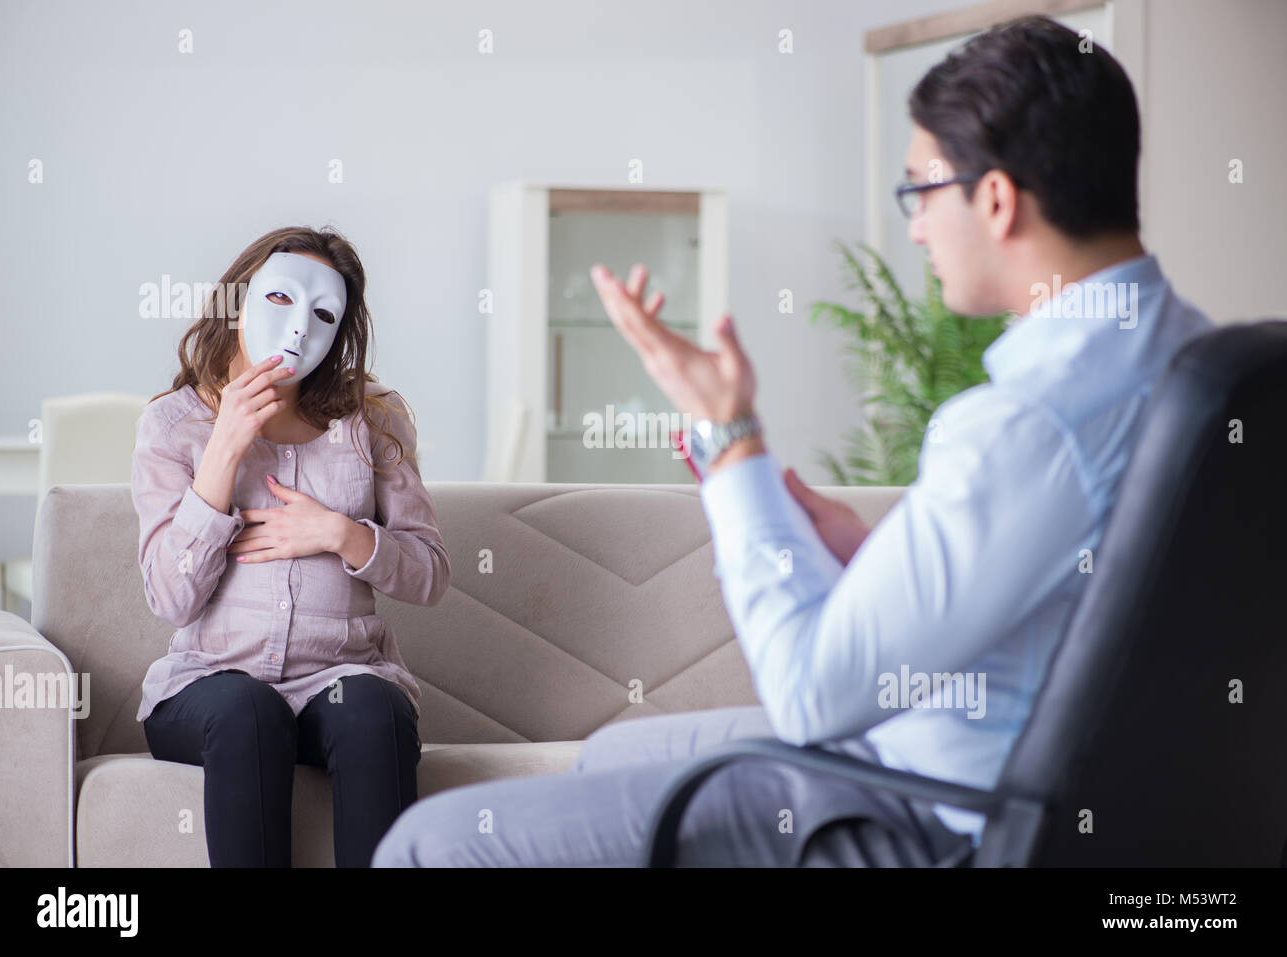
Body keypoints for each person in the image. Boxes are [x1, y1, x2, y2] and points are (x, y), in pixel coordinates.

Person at [371, 14, 1215, 867]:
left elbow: (813, 693)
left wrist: (732, 441)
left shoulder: (1027, 421)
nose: (916, 227)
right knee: (611, 753)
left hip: (937, 813)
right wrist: (873, 550)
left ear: (994, 199)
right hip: (1071, 789)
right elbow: (1073, 590)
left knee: (426, 844)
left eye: (919, 191)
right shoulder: (1202, 364)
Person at [131, 226, 451, 866]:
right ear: (241, 298)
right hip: (210, 687)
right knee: (249, 710)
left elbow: (430, 574)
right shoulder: (172, 424)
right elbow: (170, 597)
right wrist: (223, 450)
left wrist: (341, 533)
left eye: (323, 312)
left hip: (337, 679)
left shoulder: (375, 421)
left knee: (372, 710)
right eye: (280, 299)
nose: (298, 327)